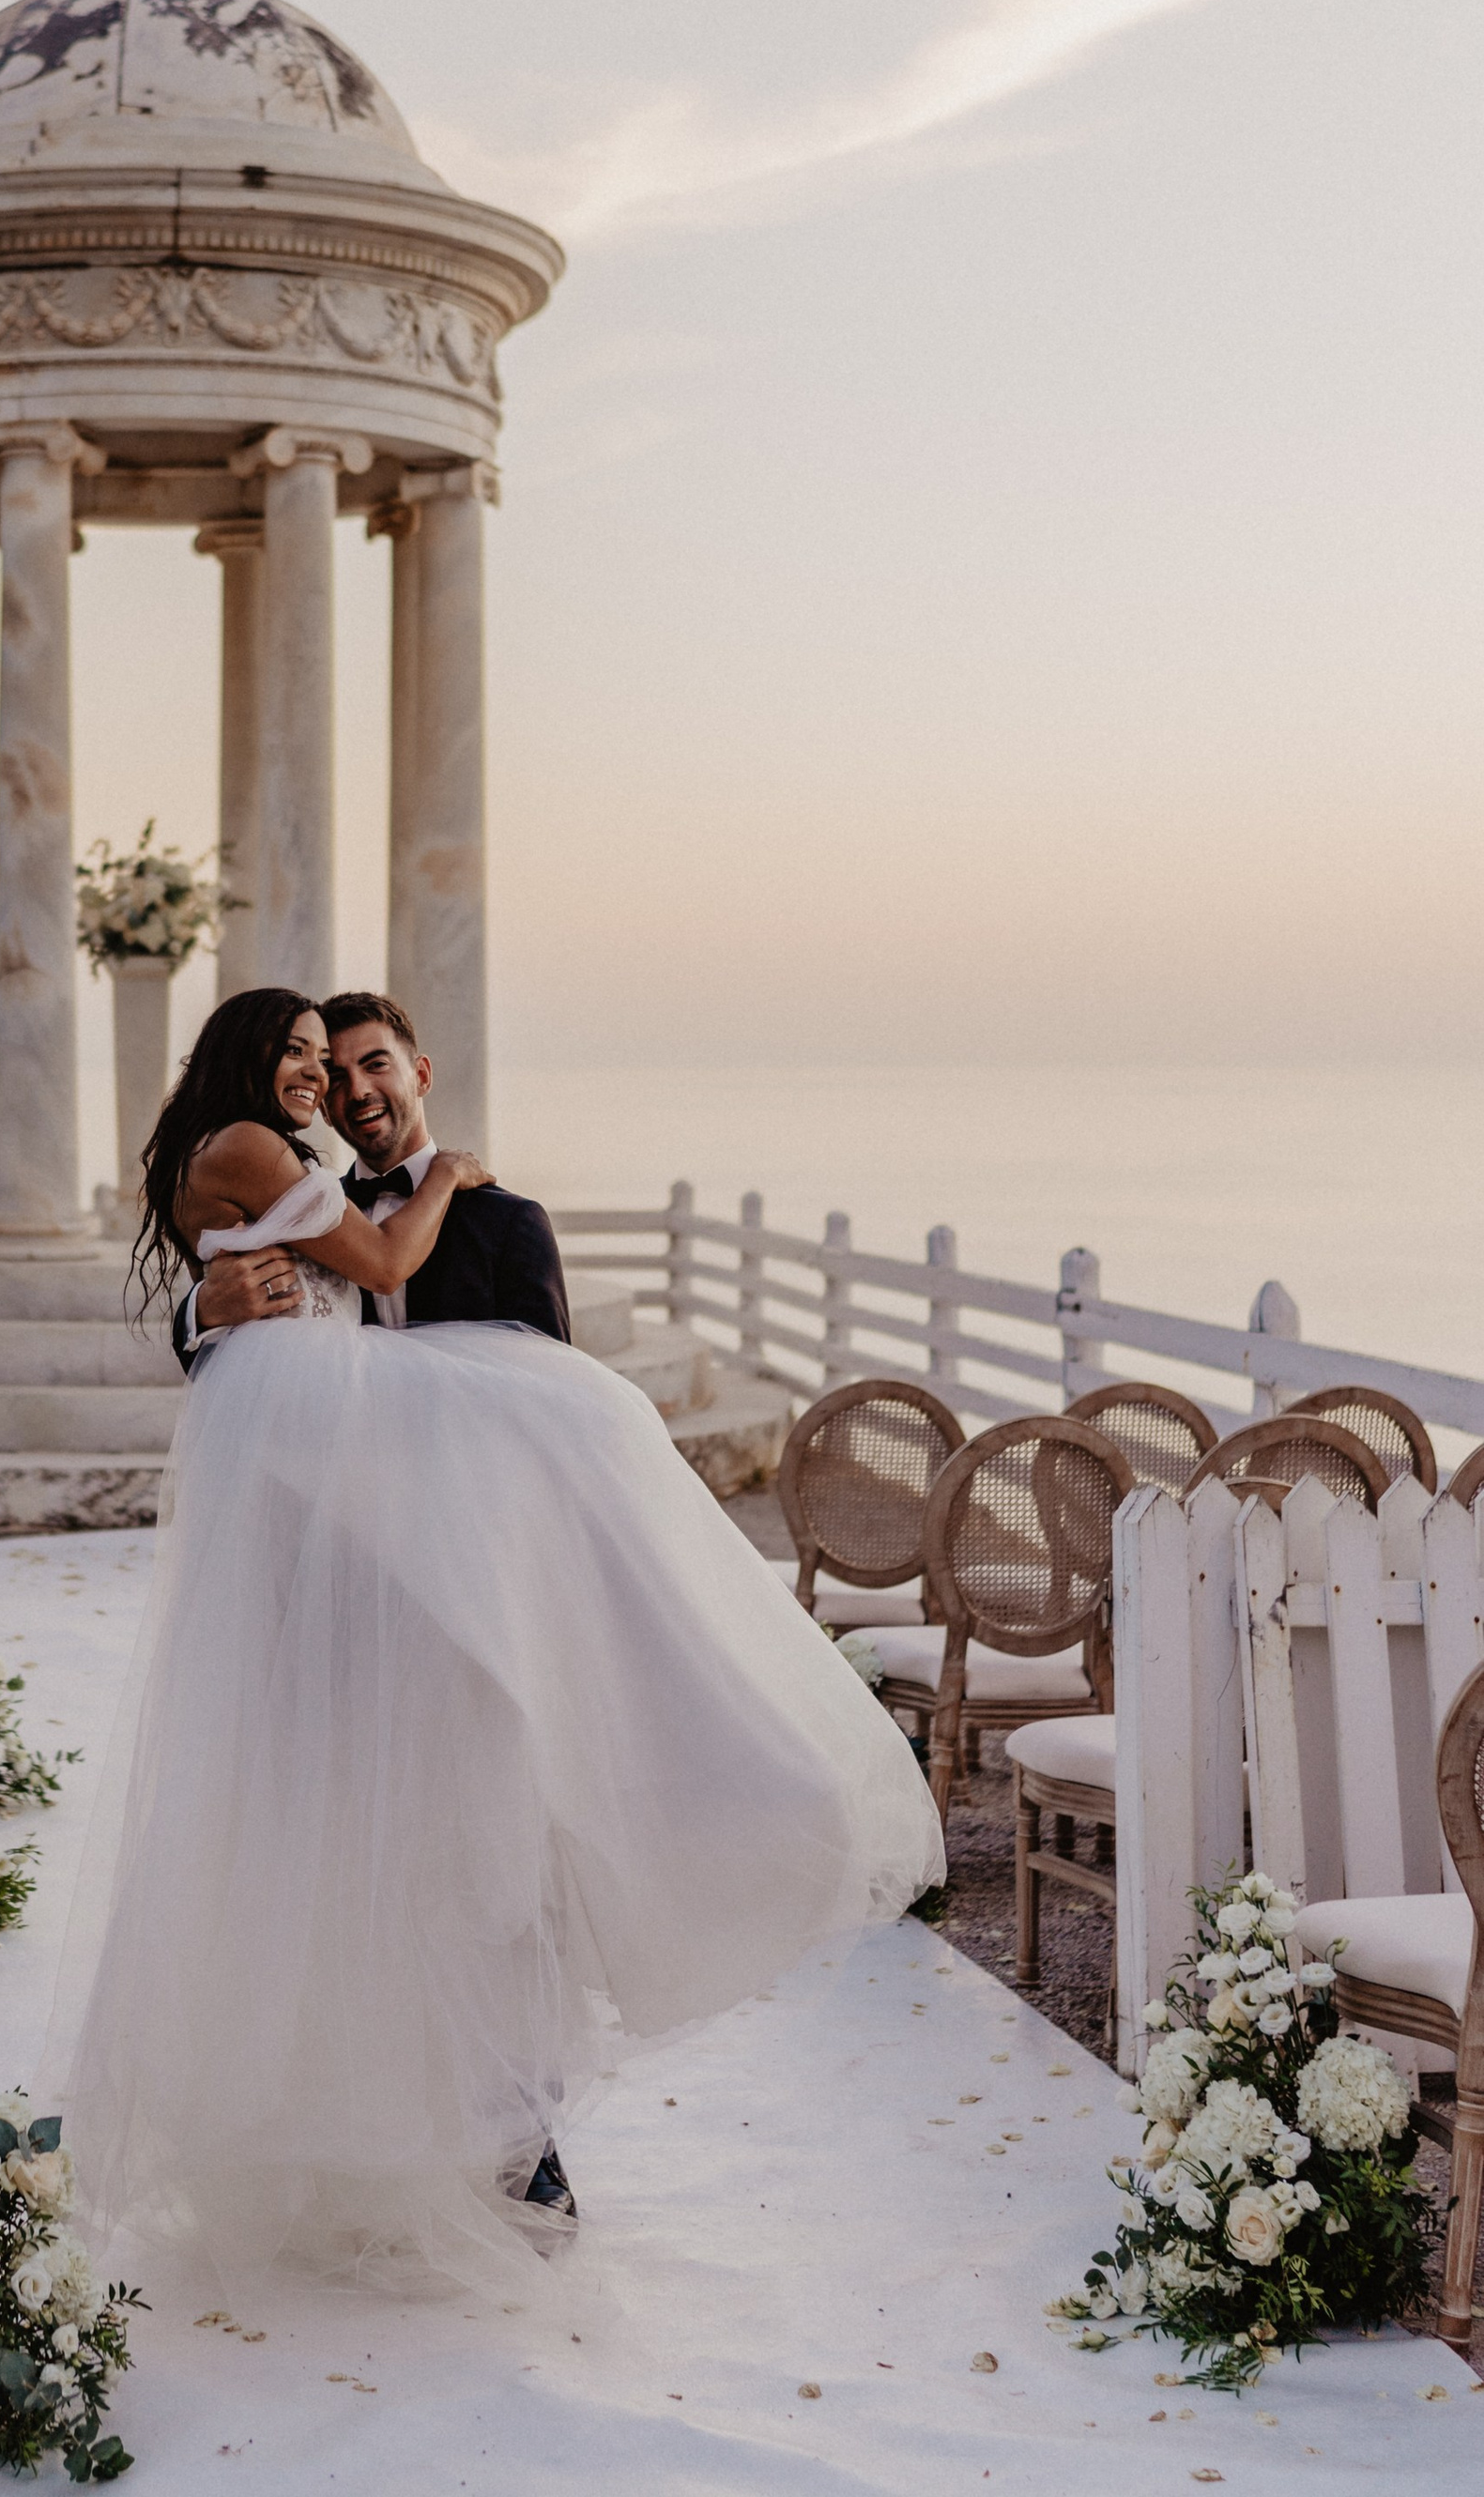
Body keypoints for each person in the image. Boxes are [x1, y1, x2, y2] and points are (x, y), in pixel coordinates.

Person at [53, 985, 943, 2303]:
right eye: (315, 1064)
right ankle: (367, 2147)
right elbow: (272, 1354)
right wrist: (205, 1311)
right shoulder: (313, 1202)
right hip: (344, 1604)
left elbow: (540, 1422)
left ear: (417, 1070)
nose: (345, 1087)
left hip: (481, 1625)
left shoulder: (497, 1222)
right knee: (358, 1881)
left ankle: (522, 2140)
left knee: (500, 1877)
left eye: (364, 1066)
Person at [167, 989, 569, 1358]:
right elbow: (228, 1365)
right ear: (324, 1105)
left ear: (422, 1076)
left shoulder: (509, 1222)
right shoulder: (301, 1208)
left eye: (376, 1065)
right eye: (337, 1075)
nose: (358, 1091)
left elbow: (548, 1379)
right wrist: (202, 1313)